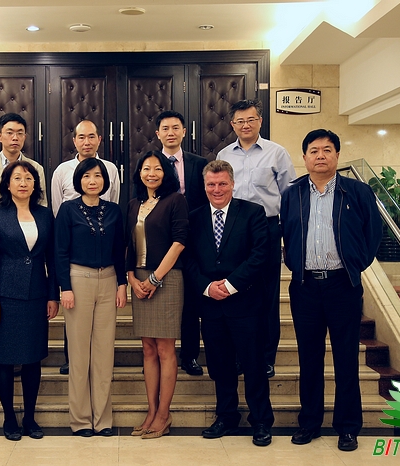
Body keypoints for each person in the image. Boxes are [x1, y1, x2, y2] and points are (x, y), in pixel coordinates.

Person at [281, 129, 381, 452]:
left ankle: (348, 427)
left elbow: (373, 233)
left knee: (346, 358)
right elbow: (287, 234)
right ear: (305, 157)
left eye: (327, 149)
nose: (320, 155)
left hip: (343, 285)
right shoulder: (292, 193)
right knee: (309, 358)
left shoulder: (358, 192)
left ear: (337, 155)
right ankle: (309, 422)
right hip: (305, 286)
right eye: (314, 150)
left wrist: (356, 263)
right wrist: (295, 264)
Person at [184, 160, 274, 446]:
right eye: (211, 184)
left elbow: (259, 255)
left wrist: (231, 284)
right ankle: (226, 416)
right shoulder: (194, 217)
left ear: (233, 184)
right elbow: (188, 259)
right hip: (211, 305)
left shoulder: (253, 213)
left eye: (222, 183)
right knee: (220, 366)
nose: (217, 189)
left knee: (254, 365)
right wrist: (207, 287)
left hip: (246, 303)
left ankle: (261, 421)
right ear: (204, 186)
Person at [217, 99, 296, 378]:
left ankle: (265, 357)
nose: (245, 125)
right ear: (232, 125)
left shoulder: (277, 153)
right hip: (234, 229)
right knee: (237, 290)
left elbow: (289, 197)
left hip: (267, 228)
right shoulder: (224, 154)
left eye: (251, 120)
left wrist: (287, 237)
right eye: (240, 121)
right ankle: (240, 355)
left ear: (260, 121)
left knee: (267, 294)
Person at [0, 160, 59, 441]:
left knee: (32, 360)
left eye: (28, 178)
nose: (23, 183)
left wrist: (52, 295)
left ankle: (29, 417)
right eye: (17, 178)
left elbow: (52, 258)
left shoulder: (45, 214)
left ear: (35, 184)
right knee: (4, 361)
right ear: (7, 184)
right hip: (5, 297)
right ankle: (9, 418)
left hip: (36, 296)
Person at [55, 157, 127, 437]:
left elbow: (120, 249)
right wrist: (65, 287)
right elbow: (60, 251)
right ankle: (81, 420)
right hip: (78, 281)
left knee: (104, 353)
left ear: (105, 180)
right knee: (79, 354)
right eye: (86, 176)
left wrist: (122, 283)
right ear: (79, 180)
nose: (92, 181)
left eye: (97, 175)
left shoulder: (114, 211)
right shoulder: (68, 210)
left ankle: (103, 418)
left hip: (108, 280)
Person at [0, 113, 48, 377]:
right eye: (9, 132)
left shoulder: (35, 168)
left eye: (20, 133)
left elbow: (41, 204)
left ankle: (25, 354)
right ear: (0, 136)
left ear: (25, 137)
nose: (15, 137)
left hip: (28, 243)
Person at [126, 150, 189, 439]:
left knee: (165, 349)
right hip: (139, 280)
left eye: (158, 168)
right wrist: (131, 277)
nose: (151, 174)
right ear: (139, 173)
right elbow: (128, 244)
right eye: (146, 168)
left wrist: (155, 278)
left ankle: (164, 414)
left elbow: (179, 242)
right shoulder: (134, 204)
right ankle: (151, 411)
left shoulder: (175, 200)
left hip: (167, 279)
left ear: (166, 172)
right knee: (148, 349)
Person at [50, 119, 121, 375]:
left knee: (102, 340)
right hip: (75, 257)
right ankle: (72, 359)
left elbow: (112, 206)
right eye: (81, 137)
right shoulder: (61, 171)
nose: (87, 142)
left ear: (100, 139)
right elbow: (57, 209)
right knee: (76, 329)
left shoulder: (110, 169)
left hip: (104, 262)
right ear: (74, 141)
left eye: (92, 136)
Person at [155, 110, 208, 377]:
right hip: (160, 241)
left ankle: (190, 355)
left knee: (191, 301)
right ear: (158, 134)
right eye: (165, 128)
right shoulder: (151, 164)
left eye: (176, 128)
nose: (171, 133)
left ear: (184, 131)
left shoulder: (199, 164)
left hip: (193, 241)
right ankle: (159, 355)